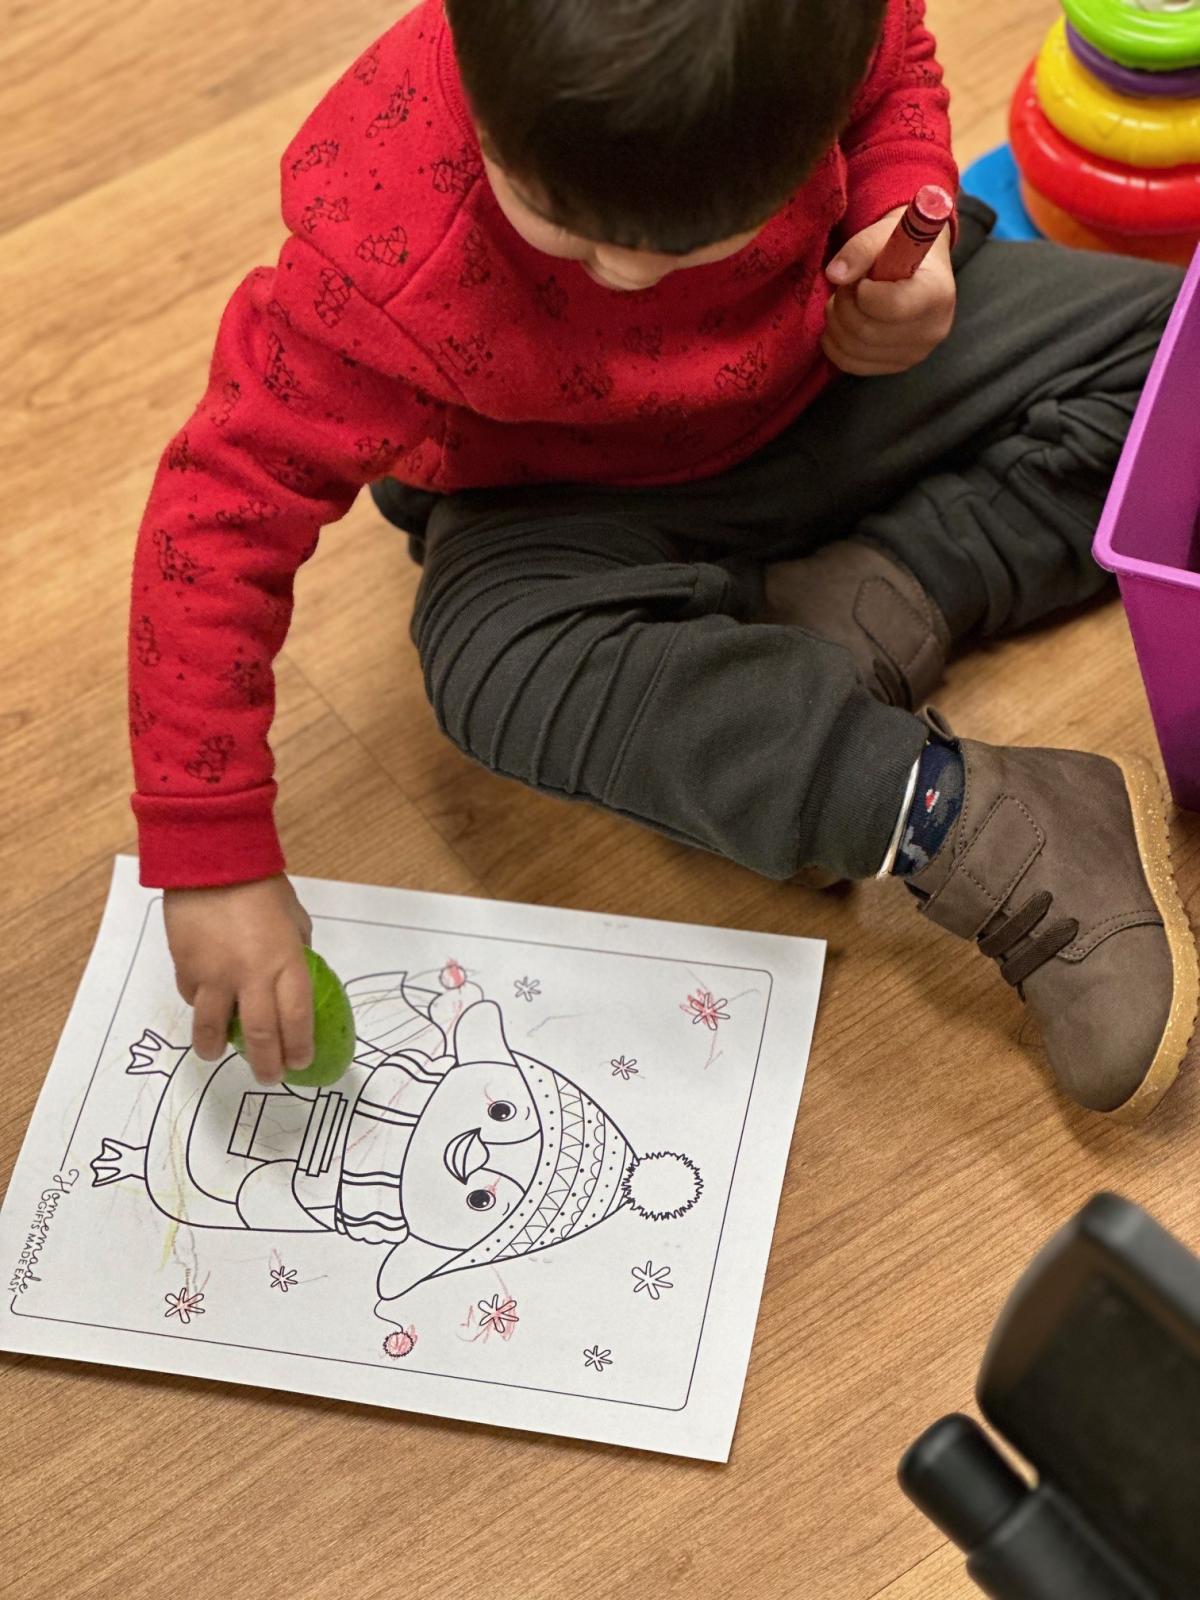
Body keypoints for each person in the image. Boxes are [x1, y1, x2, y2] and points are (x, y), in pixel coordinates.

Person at [130, 0, 1197, 1117]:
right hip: (575, 499)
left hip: (843, 378)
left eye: (694, 237)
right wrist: (215, 854)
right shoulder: (379, 237)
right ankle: (969, 818)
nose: (626, 277)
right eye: (557, 219)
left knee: (1182, 373)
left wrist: (900, 211)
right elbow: (219, 509)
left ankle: (882, 594)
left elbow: (895, 74)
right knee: (496, 663)